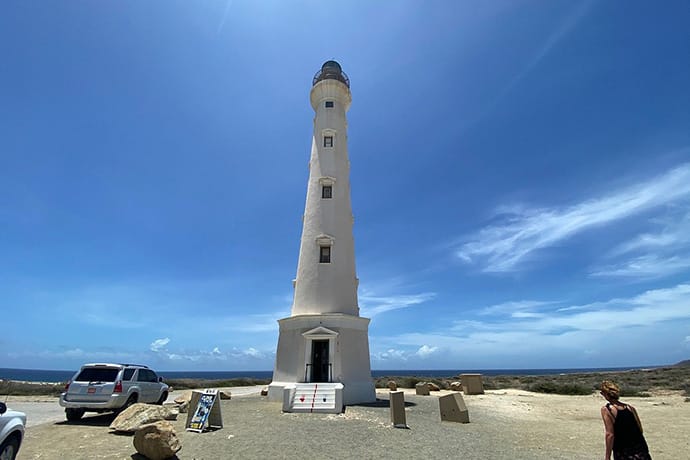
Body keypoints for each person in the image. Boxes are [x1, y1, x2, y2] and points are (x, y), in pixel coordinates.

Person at [600, 380, 651, 460]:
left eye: (602, 393)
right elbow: (639, 429)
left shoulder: (607, 410)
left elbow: (610, 434)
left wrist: (607, 457)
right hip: (640, 448)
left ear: (606, 394)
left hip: (623, 450)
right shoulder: (630, 408)